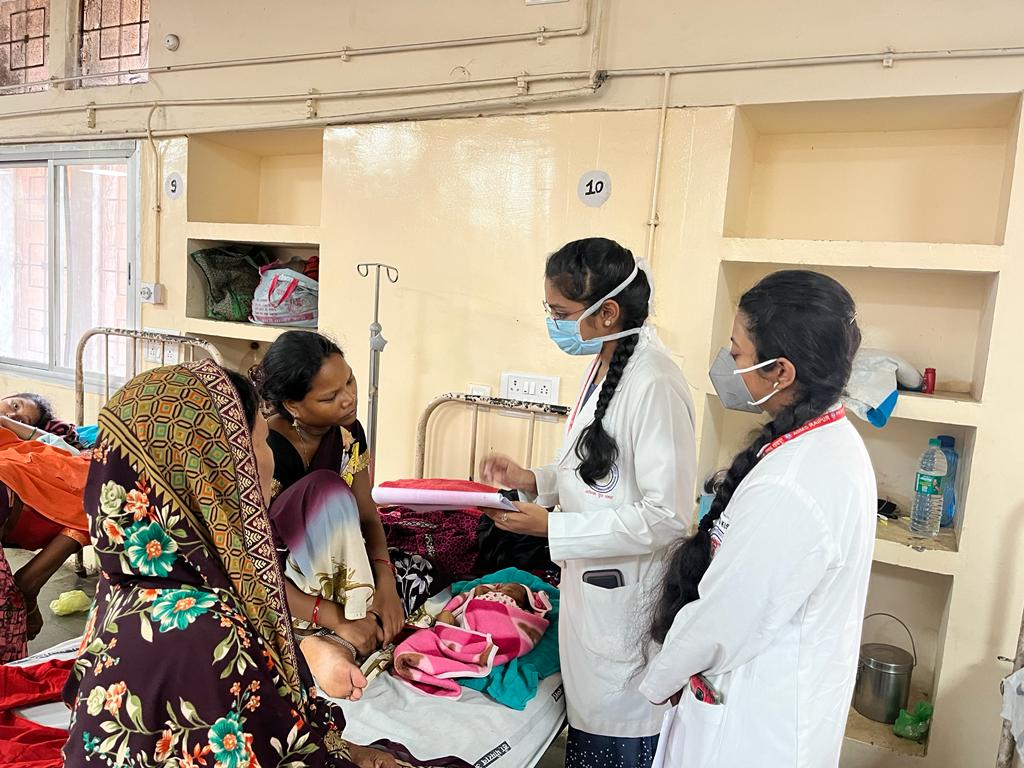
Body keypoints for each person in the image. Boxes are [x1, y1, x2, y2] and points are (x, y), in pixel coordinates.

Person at [62, 360, 469, 768]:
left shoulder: (125, 587)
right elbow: (275, 752)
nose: (268, 459)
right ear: (218, 470)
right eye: (259, 442)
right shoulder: (211, 633)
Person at [641, 270, 875, 767]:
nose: (728, 363)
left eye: (737, 352)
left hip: (753, 729)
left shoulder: (791, 485)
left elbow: (724, 617)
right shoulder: (826, 440)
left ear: (781, 372)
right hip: (765, 702)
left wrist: (660, 678)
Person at [480, 237, 697, 768]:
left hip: (625, 604)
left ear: (608, 313)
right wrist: (530, 478)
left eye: (561, 313)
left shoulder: (655, 382)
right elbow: (593, 469)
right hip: (592, 593)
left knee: (616, 738)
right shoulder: (603, 366)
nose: (553, 324)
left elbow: (668, 517)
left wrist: (551, 528)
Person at [255, 331, 402, 661]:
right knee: (327, 488)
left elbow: (367, 515)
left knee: (415, 580)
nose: (349, 398)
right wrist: (334, 617)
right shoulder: (265, 450)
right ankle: (320, 633)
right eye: (330, 397)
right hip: (279, 583)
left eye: (349, 381)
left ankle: (355, 615)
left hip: (337, 573)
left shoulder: (350, 433)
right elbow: (253, 559)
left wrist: (386, 583)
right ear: (293, 405)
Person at [0, 414, 91, 660]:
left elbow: (38, 435)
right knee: (8, 624)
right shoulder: (101, 507)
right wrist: (31, 615)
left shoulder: (67, 455)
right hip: (5, 489)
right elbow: (27, 583)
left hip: (8, 475)